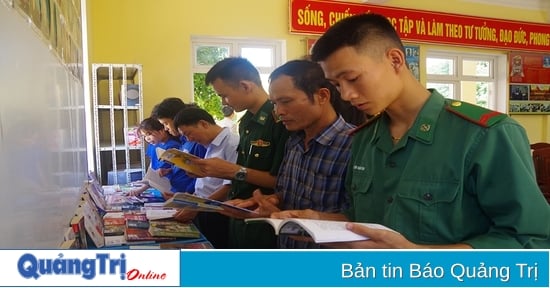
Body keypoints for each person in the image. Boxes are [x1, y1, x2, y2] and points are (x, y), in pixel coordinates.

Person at [273, 13, 550, 249]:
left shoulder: (485, 135)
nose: (345, 94)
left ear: (395, 60)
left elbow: (530, 241)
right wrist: (317, 219)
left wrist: (420, 257)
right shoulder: (364, 139)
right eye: (336, 84)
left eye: (353, 78)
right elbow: (367, 218)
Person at [230, 59, 362, 249]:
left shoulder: (355, 146)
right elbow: (287, 192)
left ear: (322, 96)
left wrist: (315, 219)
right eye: (274, 103)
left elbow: (363, 218)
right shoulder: (293, 142)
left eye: (286, 102)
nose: (279, 112)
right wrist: (269, 201)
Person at [189, 57, 290, 248]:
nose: (223, 102)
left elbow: (281, 180)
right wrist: (211, 170)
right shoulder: (246, 122)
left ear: (245, 86)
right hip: (239, 213)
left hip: (263, 219)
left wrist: (232, 171)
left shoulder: (279, 121)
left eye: (224, 95)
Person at [171, 106, 239, 248]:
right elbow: (209, 182)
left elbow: (230, 186)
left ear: (203, 124)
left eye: (189, 134)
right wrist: (190, 200)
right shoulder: (211, 145)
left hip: (217, 211)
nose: (190, 139)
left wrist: (197, 207)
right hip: (204, 207)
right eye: (185, 137)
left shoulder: (232, 143)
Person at [150, 98, 207, 196]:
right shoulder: (183, 141)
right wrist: (170, 170)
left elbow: (203, 175)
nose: (166, 128)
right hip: (177, 193)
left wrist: (188, 192)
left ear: (177, 118)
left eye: (166, 123)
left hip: (190, 196)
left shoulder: (197, 142)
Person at [128, 117, 181, 196]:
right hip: (157, 184)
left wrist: (141, 189)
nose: (147, 139)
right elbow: (152, 166)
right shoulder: (154, 144)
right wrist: (144, 181)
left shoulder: (172, 146)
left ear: (162, 130)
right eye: (144, 136)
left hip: (172, 187)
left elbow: (160, 174)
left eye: (149, 134)